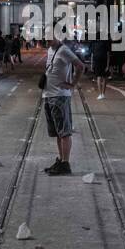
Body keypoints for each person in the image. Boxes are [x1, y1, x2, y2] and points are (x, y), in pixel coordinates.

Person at [42, 37, 82, 175]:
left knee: (64, 132)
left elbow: (80, 66)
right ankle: (61, 160)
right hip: (48, 95)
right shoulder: (50, 50)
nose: (45, 39)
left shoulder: (64, 50)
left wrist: (72, 84)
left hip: (60, 96)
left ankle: (66, 164)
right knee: (58, 132)